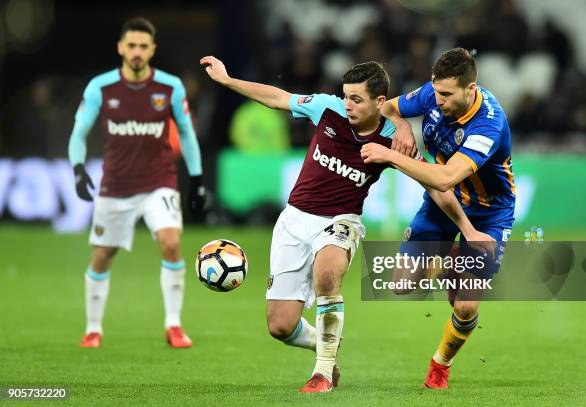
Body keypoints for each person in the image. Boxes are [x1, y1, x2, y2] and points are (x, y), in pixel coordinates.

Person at [201, 55, 492, 393]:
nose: (347, 105)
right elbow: (278, 97)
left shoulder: (394, 142)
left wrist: (468, 230)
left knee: (328, 273)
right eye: (345, 96)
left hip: (341, 221)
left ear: (379, 102)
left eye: (356, 99)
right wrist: (227, 80)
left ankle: (322, 373)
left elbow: (438, 188)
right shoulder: (327, 108)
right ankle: (326, 344)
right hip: (294, 219)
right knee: (280, 326)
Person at [360, 47, 515, 389]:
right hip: (442, 201)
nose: (438, 99)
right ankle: (451, 261)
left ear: (470, 90)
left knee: (466, 307)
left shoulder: (488, 123)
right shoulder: (433, 92)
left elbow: (446, 177)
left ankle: (440, 366)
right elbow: (386, 107)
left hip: (490, 212)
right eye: (436, 90)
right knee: (401, 285)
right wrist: (400, 126)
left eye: (447, 94)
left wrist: (389, 154)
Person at [68, 17, 208, 349]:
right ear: (120, 48)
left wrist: (198, 178)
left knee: (171, 242)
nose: (136, 52)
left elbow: (187, 134)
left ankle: (174, 325)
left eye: (143, 46)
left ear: (152, 50)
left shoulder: (170, 87)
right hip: (115, 185)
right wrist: (77, 167)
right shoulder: (99, 87)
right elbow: (78, 133)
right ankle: (92, 328)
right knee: (103, 255)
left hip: (159, 180)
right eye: (131, 45)